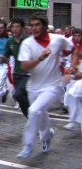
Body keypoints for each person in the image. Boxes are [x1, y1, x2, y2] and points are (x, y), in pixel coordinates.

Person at [17, 14, 71, 158]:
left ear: (45, 26)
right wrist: (40, 58)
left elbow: (75, 49)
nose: (34, 28)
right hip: (33, 86)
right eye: (32, 25)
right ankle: (47, 136)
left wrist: (73, 67)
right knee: (40, 113)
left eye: (37, 25)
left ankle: (27, 144)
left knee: (34, 110)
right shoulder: (27, 43)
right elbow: (24, 67)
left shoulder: (58, 39)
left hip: (53, 86)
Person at [0, 18, 30, 118]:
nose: (15, 29)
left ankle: (33, 114)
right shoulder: (10, 41)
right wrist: (2, 59)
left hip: (27, 74)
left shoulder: (28, 40)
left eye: (17, 26)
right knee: (21, 99)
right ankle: (31, 117)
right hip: (16, 74)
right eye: (13, 26)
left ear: (22, 28)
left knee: (18, 94)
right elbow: (6, 56)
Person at [62, 28, 82, 130]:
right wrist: (71, 69)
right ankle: (73, 120)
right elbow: (74, 62)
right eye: (75, 36)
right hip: (78, 76)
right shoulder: (74, 47)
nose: (77, 38)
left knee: (74, 94)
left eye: (79, 36)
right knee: (72, 95)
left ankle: (74, 120)